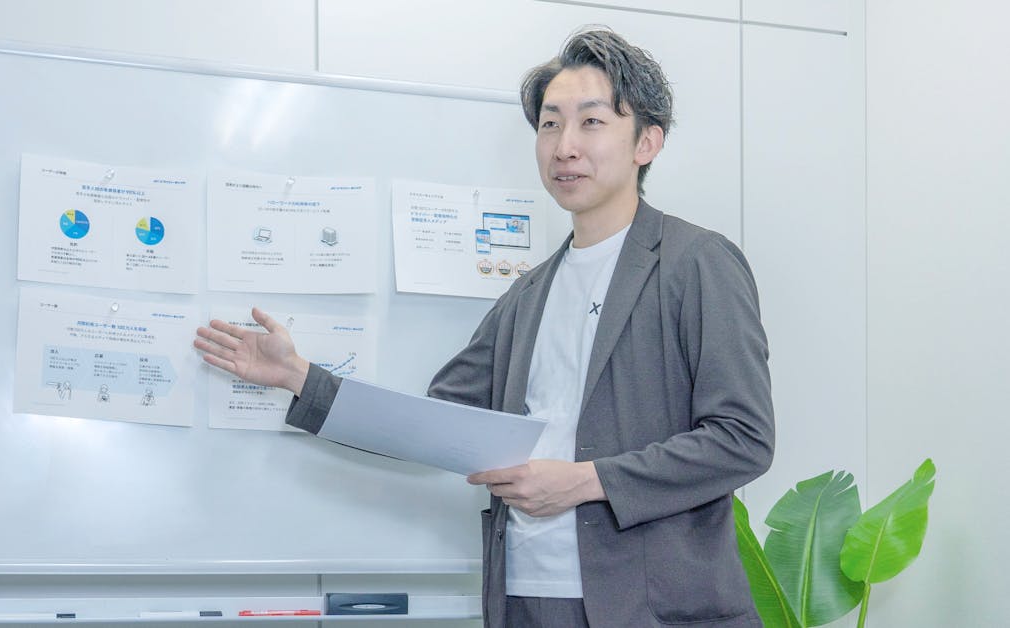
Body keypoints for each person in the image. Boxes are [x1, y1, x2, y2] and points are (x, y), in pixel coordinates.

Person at [195, 27, 774, 628]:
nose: (564, 146)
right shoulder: (527, 294)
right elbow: (433, 424)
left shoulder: (695, 262)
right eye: (549, 124)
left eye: (591, 122)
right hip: (523, 593)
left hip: (649, 607)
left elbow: (743, 438)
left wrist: (586, 481)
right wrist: (299, 377)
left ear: (646, 142)